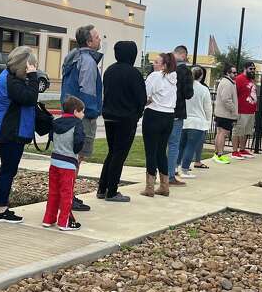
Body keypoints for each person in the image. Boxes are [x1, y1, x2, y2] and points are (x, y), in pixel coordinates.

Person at [0, 46, 41, 222]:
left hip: (5, 130)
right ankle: (2, 209)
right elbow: (30, 98)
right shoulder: (11, 81)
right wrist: (34, 77)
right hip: (9, 132)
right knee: (8, 170)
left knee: (6, 169)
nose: (32, 68)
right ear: (23, 65)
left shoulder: (8, 77)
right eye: (31, 65)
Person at [61, 25, 104, 212]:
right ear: (89, 41)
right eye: (97, 37)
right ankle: (68, 197)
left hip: (70, 113)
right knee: (77, 157)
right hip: (82, 116)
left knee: (70, 156)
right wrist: (92, 113)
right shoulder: (87, 61)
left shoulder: (74, 57)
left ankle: (66, 195)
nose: (100, 39)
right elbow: (87, 93)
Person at [97, 41, 146, 202]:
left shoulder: (109, 71)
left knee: (112, 152)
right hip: (126, 119)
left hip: (109, 116)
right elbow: (141, 98)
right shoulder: (134, 73)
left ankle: (102, 188)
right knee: (119, 154)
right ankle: (112, 191)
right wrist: (137, 115)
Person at [43, 96, 86, 231]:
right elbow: (79, 141)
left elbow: (51, 137)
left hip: (55, 161)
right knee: (66, 194)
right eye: (82, 111)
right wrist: (75, 151)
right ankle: (64, 222)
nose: (83, 114)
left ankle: (48, 219)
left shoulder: (56, 122)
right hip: (68, 163)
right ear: (75, 112)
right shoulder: (77, 124)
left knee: (53, 192)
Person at [141, 52, 178, 197]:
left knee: (151, 151)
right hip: (169, 115)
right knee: (162, 150)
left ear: (164, 65)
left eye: (157, 62)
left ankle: (150, 186)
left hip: (154, 114)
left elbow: (145, 94)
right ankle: (164, 185)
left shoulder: (155, 76)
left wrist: (147, 101)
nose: (154, 64)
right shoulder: (173, 78)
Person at [167, 45, 195, 186]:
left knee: (160, 144)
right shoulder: (185, 72)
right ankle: (170, 175)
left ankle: (154, 174)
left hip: (163, 111)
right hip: (177, 112)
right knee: (173, 145)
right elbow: (188, 94)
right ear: (183, 55)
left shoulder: (166, 68)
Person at [178, 66, 213, 178]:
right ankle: (185, 170)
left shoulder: (184, 87)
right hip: (197, 122)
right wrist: (208, 121)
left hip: (184, 120)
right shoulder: (203, 89)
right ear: (201, 76)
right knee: (190, 146)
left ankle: (174, 167)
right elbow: (208, 108)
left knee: (180, 146)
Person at [212, 63, 238, 164]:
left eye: (236, 72)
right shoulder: (227, 83)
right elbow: (226, 99)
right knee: (223, 133)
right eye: (234, 72)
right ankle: (219, 154)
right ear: (228, 73)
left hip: (221, 113)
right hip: (225, 114)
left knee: (219, 133)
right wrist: (234, 110)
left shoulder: (226, 82)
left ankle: (216, 154)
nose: (236, 74)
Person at [231, 61, 258, 160]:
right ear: (245, 69)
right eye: (251, 69)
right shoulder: (239, 79)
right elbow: (234, 95)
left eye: (254, 69)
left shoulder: (251, 80)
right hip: (241, 110)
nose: (253, 71)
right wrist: (235, 110)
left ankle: (242, 149)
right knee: (237, 131)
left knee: (246, 131)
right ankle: (234, 151)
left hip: (251, 110)